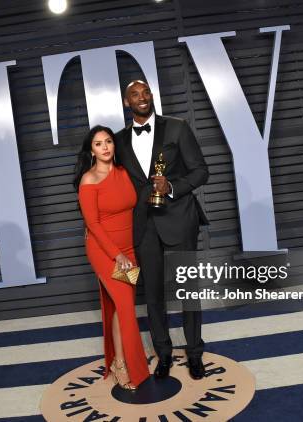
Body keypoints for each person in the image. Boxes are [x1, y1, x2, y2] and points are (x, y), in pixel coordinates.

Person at [115, 80, 209, 380]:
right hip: (143, 225)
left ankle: (195, 354)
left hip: (179, 216)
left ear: (151, 96)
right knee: (153, 293)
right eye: (135, 95)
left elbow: (201, 171)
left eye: (146, 93)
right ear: (127, 103)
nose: (142, 98)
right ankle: (164, 355)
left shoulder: (177, 127)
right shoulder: (117, 141)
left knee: (188, 290)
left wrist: (171, 187)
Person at [75, 125, 150, 390]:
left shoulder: (124, 173)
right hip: (105, 252)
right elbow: (93, 225)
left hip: (129, 250)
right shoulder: (89, 180)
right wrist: (117, 256)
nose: (105, 147)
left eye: (108, 141)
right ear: (91, 150)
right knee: (127, 308)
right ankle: (133, 368)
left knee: (122, 306)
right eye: (98, 143)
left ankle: (118, 361)